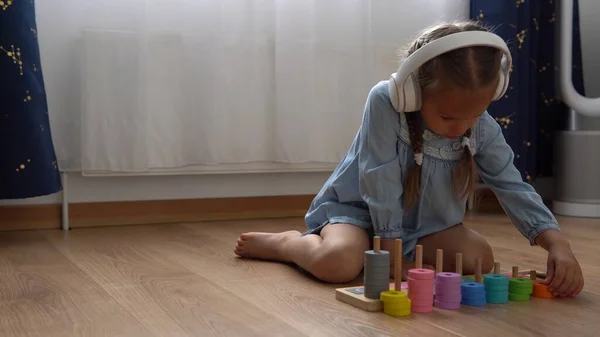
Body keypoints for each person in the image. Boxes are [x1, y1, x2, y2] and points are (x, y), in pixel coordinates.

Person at [234, 21, 584, 298]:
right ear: (413, 90)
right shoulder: (386, 102)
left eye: (474, 115)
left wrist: (556, 243)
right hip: (358, 215)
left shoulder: (481, 127)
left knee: (480, 258)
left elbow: (511, 184)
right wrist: (390, 253)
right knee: (336, 264)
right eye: (448, 117)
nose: (461, 127)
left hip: (424, 226)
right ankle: (289, 244)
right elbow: (378, 177)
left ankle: (381, 257)